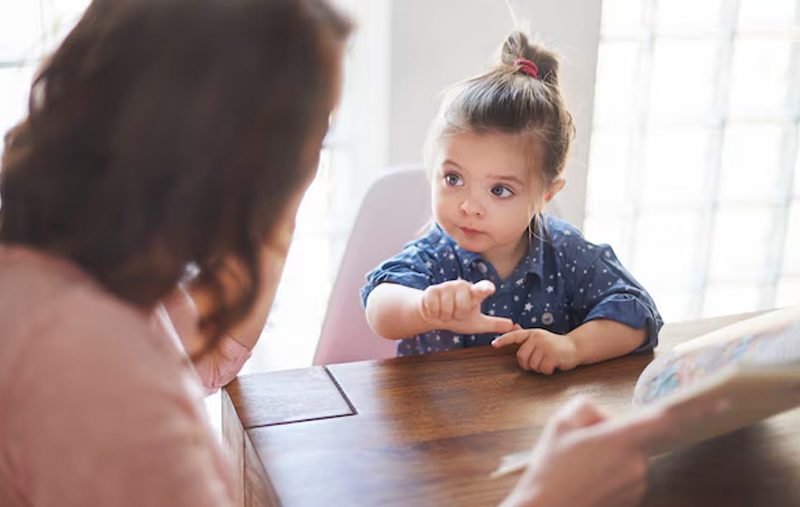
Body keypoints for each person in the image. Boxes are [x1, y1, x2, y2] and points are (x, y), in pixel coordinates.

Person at [0, 2, 669, 506]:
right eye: (302, 145)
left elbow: (199, 351)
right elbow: (383, 302)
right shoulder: (84, 357)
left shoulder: (62, 267)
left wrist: (576, 347)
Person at [362, 31, 662, 375]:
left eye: (499, 190)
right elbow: (379, 306)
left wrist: (573, 346)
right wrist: (424, 308)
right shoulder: (434, 256)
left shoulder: (566, 254)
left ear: (546, 195)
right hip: (433, 422)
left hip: (533, 422)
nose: (469, 206)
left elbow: (637, 314)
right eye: (454, 179)